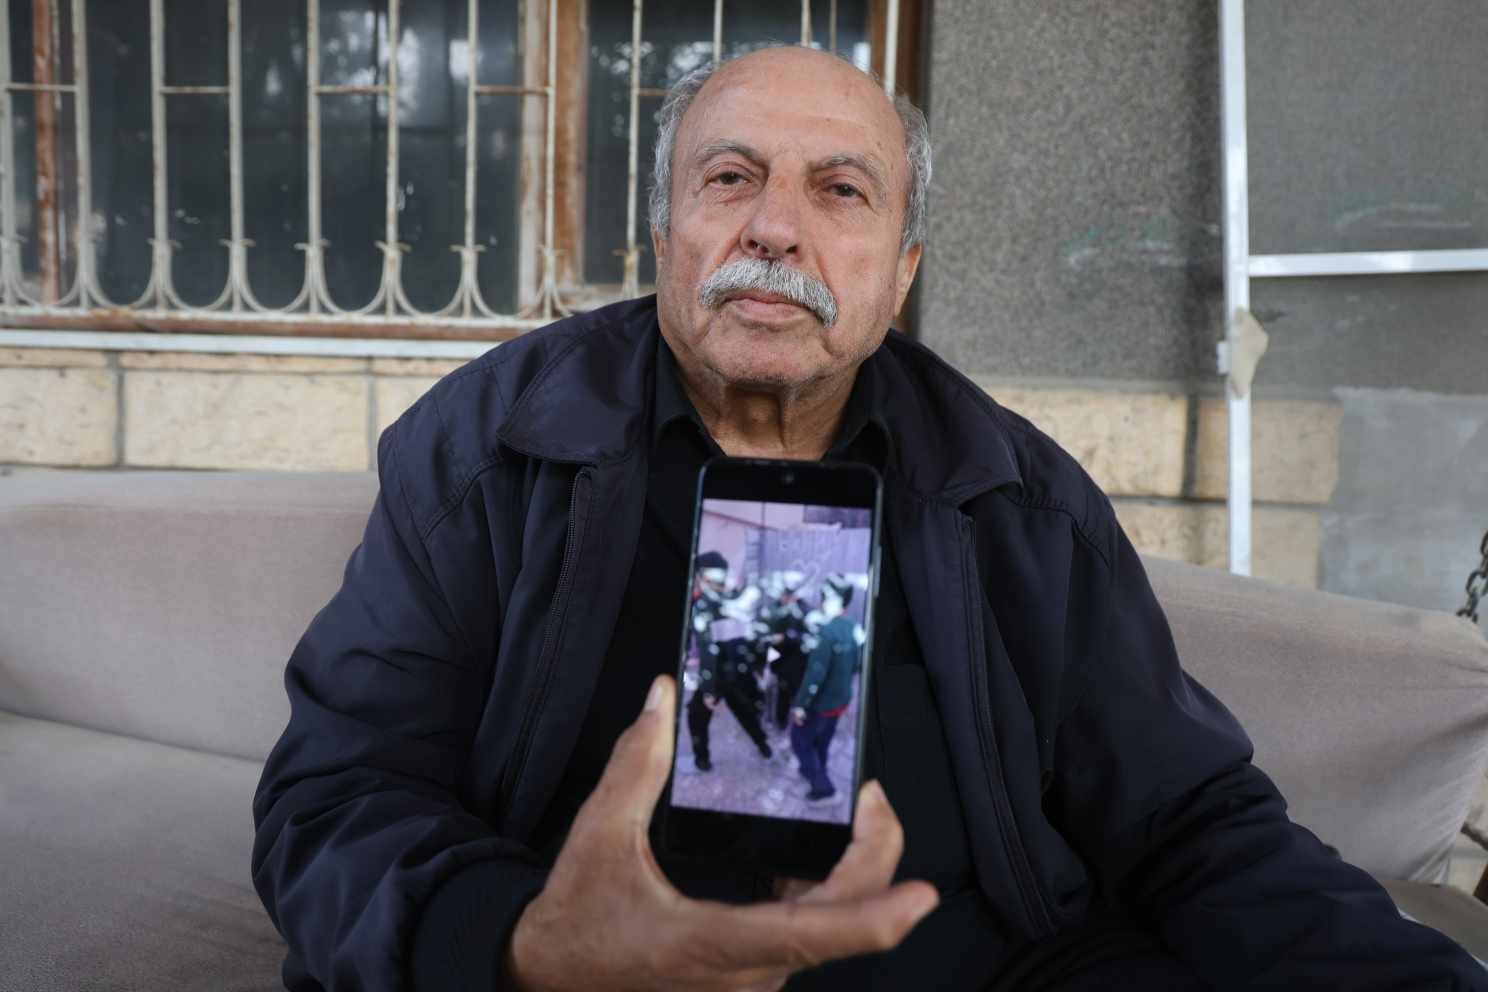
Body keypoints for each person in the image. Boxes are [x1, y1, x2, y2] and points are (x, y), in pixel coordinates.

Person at [252, 44, 1485, 991]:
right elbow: (337, 795)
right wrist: (526, 941)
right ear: (667, 236)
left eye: (841, 190)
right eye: (729, 178)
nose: (774, 227)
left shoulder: (1017, 496)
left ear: (901, 271)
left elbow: (1189, 822)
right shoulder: (489, 447)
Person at [686, 550, 773, 771]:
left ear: (703, 577)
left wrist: (708, 691)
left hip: (717, 675)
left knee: (697, 715)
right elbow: (751, 637)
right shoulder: (733, 599)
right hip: (739, 670)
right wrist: (757, 665)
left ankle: (702, 759)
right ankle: (763, 745)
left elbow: (709, 650)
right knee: (745, 712)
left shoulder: (704, 605)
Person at [789, 575, 861, 802]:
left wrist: (800, 706)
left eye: (824, 598)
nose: (821, 603)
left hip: (820, 703)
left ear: (833, 600)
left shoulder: (826, 633)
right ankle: (811, 769)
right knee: (822, 741)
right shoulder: (854, 627)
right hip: (840, 701)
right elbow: (857, 665)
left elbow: (814, 676)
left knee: (800, 741)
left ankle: (823, 788)